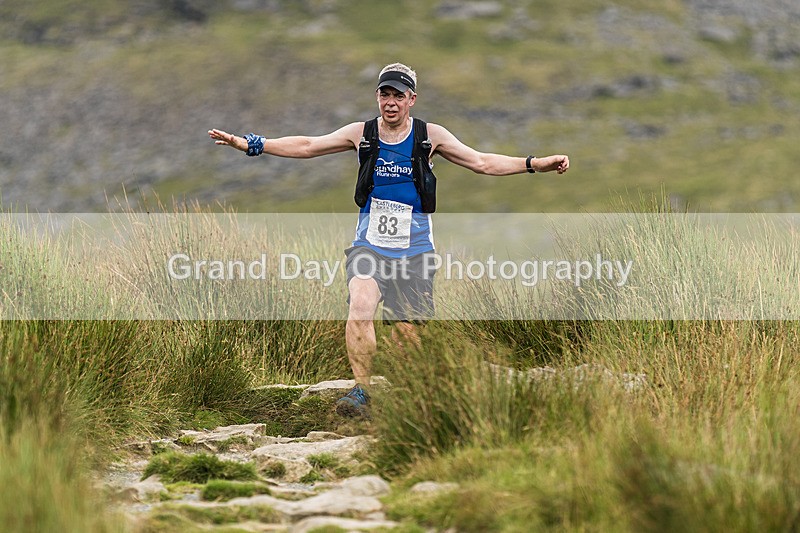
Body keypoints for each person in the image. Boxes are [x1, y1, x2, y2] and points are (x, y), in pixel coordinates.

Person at [209, 62, 569, 417]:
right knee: (360, 306)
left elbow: (482, 162)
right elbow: (307, 145)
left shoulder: (430, 136)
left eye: (398, 95)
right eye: (385, 94)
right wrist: (252, 144)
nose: (391, 102)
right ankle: (362, 392)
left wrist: (535, 164)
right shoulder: (361, 133)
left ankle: (409, 404)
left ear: (412, 99)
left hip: (415, 252)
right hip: (370, 246)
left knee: (406, 338)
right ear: (377, 97)